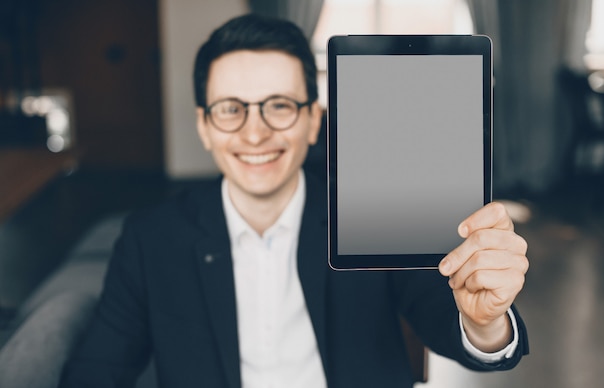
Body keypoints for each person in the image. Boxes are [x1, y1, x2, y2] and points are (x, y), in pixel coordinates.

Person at [60, 13, 529, 388]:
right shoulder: (151, 238)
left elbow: (448, 322)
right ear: (204, 126)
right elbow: (97, 371)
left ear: (312, 121)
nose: (255, 132)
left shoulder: (375, 215)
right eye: (231, 109)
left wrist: (485, 323)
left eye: (279, 105)